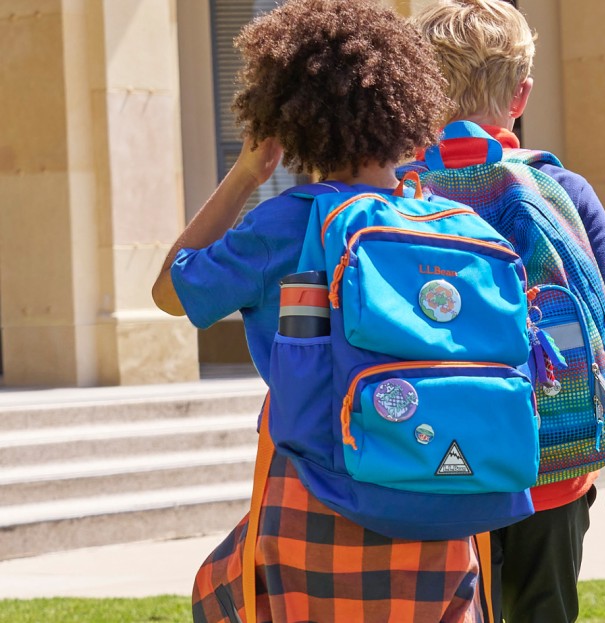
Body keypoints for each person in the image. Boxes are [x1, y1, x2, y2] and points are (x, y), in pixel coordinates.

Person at [152, 1, 482, 621]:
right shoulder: (447, 225)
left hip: (315, 483)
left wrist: (248, 174)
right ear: (406, 105)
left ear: (287, 116)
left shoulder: (290, 221)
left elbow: (172, 291)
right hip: (439, 483)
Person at [411, 2, 605, 621]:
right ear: (521, 95)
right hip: (550, 470)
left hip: (425, 465)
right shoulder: (561, 192)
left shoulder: (388, 195)